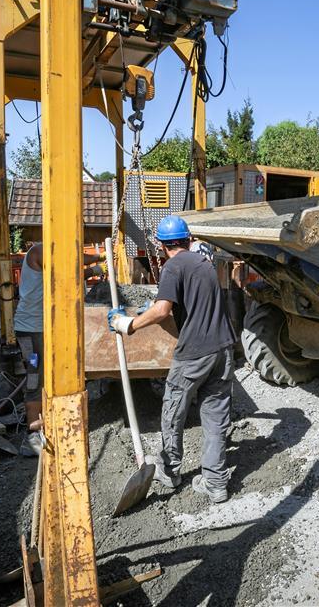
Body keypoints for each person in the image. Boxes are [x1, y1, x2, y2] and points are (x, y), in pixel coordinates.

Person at [108, 215, 235, 504]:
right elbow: (189, 298)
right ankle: (216, 483)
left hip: (194, 353)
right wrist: (151, 306)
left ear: (162, 246)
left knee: (174, 409)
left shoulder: (173, 267)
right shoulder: (204, 264)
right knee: (215, 416)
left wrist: (129, 323)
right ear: (188, 239)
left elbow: (163, 310)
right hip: (223, 349)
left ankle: (170, 469)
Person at [14, 242, 101, 456]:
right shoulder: (40, 251)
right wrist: (93, 270)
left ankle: (50, 421)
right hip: (30, 330)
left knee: (48, 376)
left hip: (44, 328)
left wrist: (100, 259)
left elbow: (75, 258)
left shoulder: (54, 250)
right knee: (35, 376)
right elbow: (64, 276)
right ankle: (33, 433)